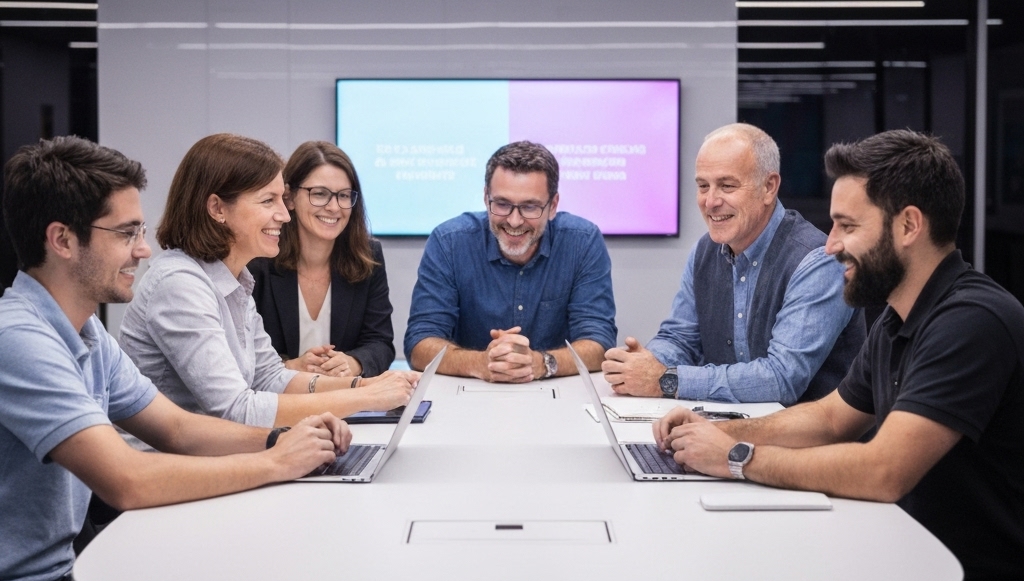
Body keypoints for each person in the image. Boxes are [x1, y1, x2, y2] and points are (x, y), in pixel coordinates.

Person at [652, 130, 1024, 581]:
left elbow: (883, 471)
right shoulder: (900, 319)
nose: (830, 245)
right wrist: (706, 428)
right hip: (929, 565)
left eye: (847, 226)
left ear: (908, 225)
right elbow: (828, 418)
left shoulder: (972, 320)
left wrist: (735, 456)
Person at [0, 136, 351, 581]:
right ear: (62, 239)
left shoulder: (80, 332)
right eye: (126, 232)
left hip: (62, 578)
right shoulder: (19, 339)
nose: (142, 248)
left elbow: (181, 430)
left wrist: (285, 443)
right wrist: (277, 463)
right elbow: (128, 479)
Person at [120, 134, 417, 427]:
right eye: (268, 200)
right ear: (217, 209)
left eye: (281, 199)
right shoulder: (179, 284)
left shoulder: (235, 279)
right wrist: (367, 397)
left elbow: (270, 377)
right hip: (173, 467)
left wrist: (365, 386)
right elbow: (237, 408)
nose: (284, 215)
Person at [602, 123, 864, 405]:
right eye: (703, 186)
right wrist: (645, 363)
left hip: (812, 444)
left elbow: (781, 379)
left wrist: (666, 380)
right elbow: (680, 338)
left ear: (769, 187)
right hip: (734, 430)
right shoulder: (704, 250)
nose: (710, 201)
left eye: (727, 186)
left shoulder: (818, 261)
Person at [404, 140, 616, 381]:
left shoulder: (582, 242)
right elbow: (419, 345)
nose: (514, 221)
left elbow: (599, 344)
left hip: (560, 393)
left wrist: (542, 363)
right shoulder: (449, 242)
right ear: (486, 198)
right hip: (470, 393)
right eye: (502, 204)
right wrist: (480, 363)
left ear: (553, 206)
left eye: (530, 207)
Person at [250, 141, 395, 379]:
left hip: (342, 401)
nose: (334, 207)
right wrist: (290, 368)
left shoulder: (368, 257)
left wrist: (353, 363)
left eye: (344, 196)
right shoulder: (259, 261)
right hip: (277, 403)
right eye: (319, 194)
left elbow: (380, 343)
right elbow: (240, 356)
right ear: (290, 198)